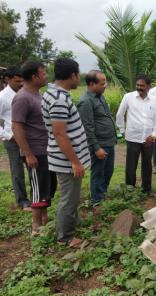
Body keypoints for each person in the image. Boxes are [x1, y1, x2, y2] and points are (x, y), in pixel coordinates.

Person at [42, 58, 90, 248]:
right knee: (69, 198)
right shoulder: (59, 100)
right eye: (79, 75)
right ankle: (66, 237)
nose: (80, 79)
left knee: (72, 195)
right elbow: (60, 133)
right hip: (66, 159)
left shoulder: (53, 93)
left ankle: (72, 223)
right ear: (72, 75)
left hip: (64, 158)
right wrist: (75, 161)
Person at [12, 61, 57, 236]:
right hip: (35, 151)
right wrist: (28, 154)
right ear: (34, 77)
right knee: (38, 188)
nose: (46, 76)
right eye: (43, 73)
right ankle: (36, 226)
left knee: (47, 186)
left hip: (45, 149)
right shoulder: (23, 98)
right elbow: (17, 127)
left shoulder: (37, 95)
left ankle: (44, 219)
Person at [116, 74, 156, 194]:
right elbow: (119, 115)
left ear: (149, 86)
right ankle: (130, 189)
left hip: (148, 139)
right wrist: (123, 131)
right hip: (132, 138)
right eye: (138, 85)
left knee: (147, 165)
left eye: (142, 85)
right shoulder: (128, 97)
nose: (139, 87)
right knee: (131, 165)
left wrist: (154, 135)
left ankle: (147, 189)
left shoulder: (155, 100)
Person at [77, 70, 117, 204]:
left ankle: (102, 193)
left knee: (108, 170)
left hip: (109, 142)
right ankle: (96, 199)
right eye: (102, 83)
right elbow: (87, 128)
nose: (105, 85)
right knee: (98, 172)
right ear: (92, 84)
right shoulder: (86, 101)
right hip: (100, 144)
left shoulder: (99, 96)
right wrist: (96, 148)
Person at [0, 66, 31, 210]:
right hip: (12, 140)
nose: (21, 84)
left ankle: (37, 196)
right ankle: (22, 201)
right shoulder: (2, 97)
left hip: (29, 137)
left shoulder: (25, 93)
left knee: (33, 166)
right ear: (8, 79)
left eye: (22, 81)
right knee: (17, 170)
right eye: (17, 81)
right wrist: (7, 135)